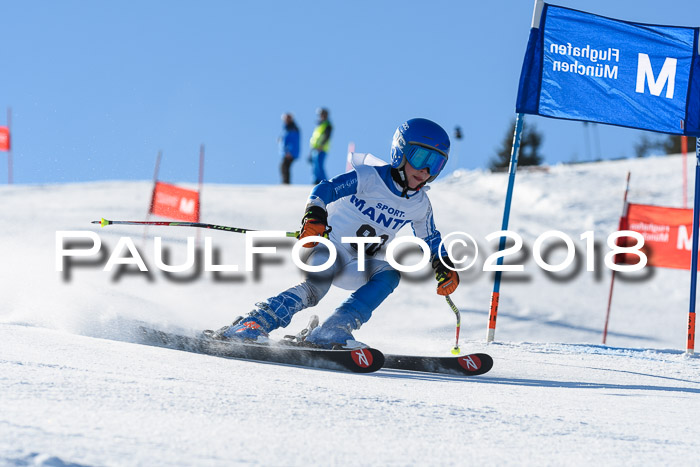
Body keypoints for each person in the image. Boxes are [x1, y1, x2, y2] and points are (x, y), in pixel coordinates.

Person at [208, 118, 459, 349]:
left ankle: (332, 331)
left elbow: (431, 240)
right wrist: (315, 215)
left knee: (390, 274)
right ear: (400, 151)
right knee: (317, 288)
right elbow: (324, 189)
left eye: (435, 163)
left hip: (357, 264)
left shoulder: (420, 204)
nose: (425, 170)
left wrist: (444, 266)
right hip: (326, 248)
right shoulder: (370, 177)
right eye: (420, 157)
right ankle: (253, 323)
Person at [309, 108, 332, 184]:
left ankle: (324, 182)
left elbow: (326, 136)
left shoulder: (327, 125)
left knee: (319, 165)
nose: (321, 116)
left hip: (321, 149)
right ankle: (316, 181)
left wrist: (321, 145)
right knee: (315, 166)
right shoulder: (319, 125)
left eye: (322, 114)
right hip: (315, 148)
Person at [279, 113, 300, 184]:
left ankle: (286, 182)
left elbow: (294, 142)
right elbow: (285, 140)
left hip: (290, 153)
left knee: (285, 166)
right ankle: (285, 182)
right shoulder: (287, 129)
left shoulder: (293, 129)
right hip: (287, 152)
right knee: (284, 166)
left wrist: (289, 152)